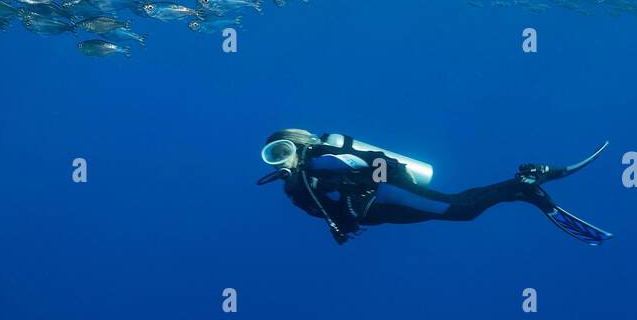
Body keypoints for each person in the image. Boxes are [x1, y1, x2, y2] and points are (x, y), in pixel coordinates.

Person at [257, 129, 613, 246]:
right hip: (383, 212)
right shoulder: (296, 190)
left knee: (462, 210)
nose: (281, 161)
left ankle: (527, 183)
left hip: (392, 192)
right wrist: (345, 223)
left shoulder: (323, 158)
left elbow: (382, 161)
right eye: (273, 156)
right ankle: (523, 185)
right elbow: (331, 212)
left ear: (299, 145)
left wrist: (366, 188)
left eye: (284, 150)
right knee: (458, 207)